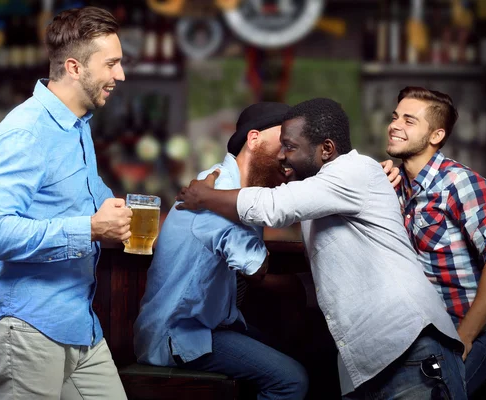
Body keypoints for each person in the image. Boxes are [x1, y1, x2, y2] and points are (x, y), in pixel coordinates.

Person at [176, 98, 468, 399]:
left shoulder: (355, 169)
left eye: (289, 146)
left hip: (411, 351)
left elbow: (273, 206)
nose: (281, 156)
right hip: (373, 365)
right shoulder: (322, 199)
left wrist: (205, 196)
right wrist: (263, 280)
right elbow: (329, 280)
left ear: (326, 149)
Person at [0, 7, 131, 399]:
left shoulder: (76, 127)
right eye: (111, 64)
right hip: (26, 324)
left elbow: (89, 201)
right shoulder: (26, 132)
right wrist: (91, 229)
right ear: (75, 67)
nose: (120, 75)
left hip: (78, 323)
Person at [133, 102, 309, 400]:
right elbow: (256, 268)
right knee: (292, 381)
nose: (289, 154)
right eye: (284, 142)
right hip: (179, 336)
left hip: (215, 326)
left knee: (303, 352)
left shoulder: (234, 193)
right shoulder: (214, 194)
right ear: (253, 140)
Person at [384, 86, 486, 396]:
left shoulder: (460, 183)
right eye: (395, 117)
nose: (394, 125)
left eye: (409, 120)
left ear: (435, 136)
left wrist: (465, 334)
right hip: (431, 330)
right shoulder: (395, 184)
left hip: (484, 332)